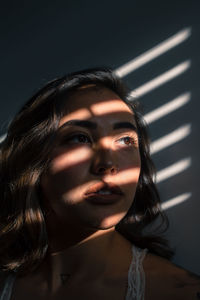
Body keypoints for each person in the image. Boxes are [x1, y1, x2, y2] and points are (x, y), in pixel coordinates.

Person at [0, 68, 199, 300]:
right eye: (79, 137)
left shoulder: (179, 292)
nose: (107, 164)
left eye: (125, 140)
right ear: (34, 159)